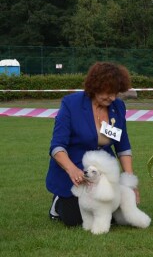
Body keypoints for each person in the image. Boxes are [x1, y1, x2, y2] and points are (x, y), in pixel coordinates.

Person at [46, 62, 139, 226]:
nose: (112, 98)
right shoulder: (71, 104)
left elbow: (123, 146)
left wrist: (130, 182)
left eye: (115, 93)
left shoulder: (118, 107)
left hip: (103, 174)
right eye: (108, 92)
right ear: (95, 86)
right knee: (75, 219)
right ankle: (58, 201)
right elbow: (57, 146)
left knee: (114, 215)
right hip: (74, 169)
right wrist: (72, 169)